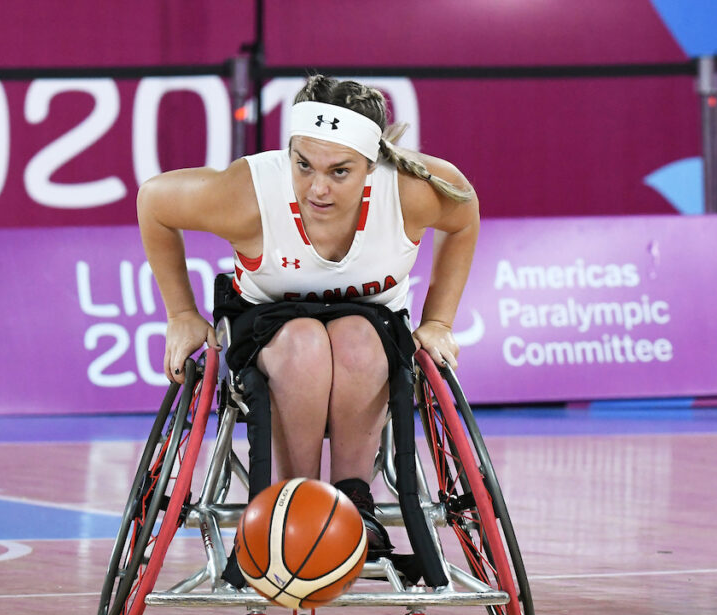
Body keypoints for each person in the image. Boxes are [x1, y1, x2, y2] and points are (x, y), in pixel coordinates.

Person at [138, 75, 479, 554]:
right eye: (303, 165)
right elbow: (154, 201)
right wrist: (180, 312)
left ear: (370, 164)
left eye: (340, 171)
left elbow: (464, 217)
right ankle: (299, 503)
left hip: (370, 322)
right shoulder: (247, 194)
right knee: (305, 343)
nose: (317, 188)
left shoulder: (410, 189)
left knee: (357, 339)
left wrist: (439, 321)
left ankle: (353, 501)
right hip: (268, 318)